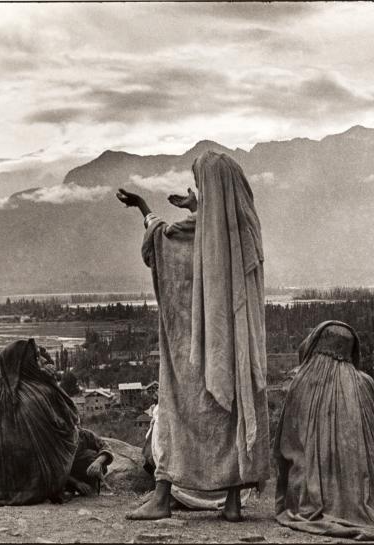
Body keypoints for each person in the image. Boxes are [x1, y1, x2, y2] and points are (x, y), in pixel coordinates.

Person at [116, 150, 270, 521]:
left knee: (177, 409)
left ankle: (161, 497)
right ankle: (232, 502)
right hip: (234, 346)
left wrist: (143, 208)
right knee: (229, 413)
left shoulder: (191, 234)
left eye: (200, 184)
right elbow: (219, 227)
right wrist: (200, 206)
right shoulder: (246, 229)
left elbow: (160, 242)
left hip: (189, 345)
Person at [273, 321, 374, 540]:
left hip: (307, 494)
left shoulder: (301, 382)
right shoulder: (364, 384)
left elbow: (285, 446)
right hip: (366, 493)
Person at [0, 339, 80, 508]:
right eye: (37, 357)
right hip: (38, 480)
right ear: (23, 362)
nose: (42, 361)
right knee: (75, 435)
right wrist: (52, 382)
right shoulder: (41, 391)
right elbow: (69, 421)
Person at [141, 404, 252, 510]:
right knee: (233, 412)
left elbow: (148, 455)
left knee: (161, 413)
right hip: (231, 490)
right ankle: (233, 502)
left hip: (182, 489)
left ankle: (163, 496)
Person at [67, 427, 114, 497]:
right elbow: (55, 468)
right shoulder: (57, 438)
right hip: (66, 475)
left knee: (91, 455)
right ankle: (69, 489)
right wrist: (76, 483)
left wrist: (98, 462)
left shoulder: (85, 434)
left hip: (85, 471)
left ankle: (96, 485)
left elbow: (106, 448)